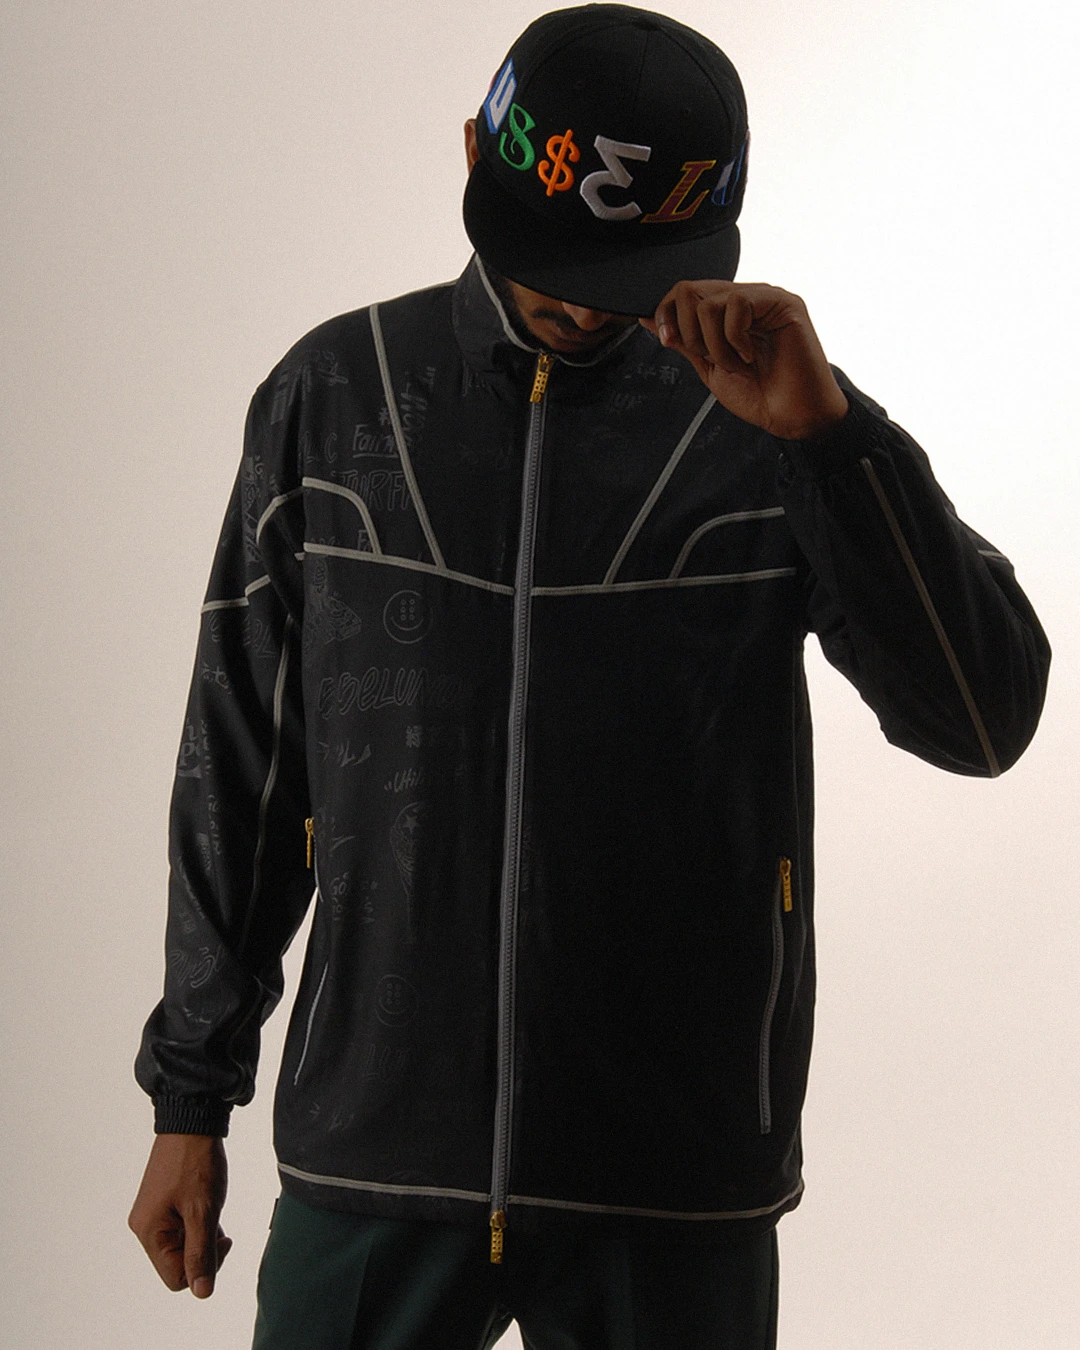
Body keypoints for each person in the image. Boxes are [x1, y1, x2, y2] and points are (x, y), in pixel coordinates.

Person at [128, 6, 1050, 1347]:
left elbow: (982, 718)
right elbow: (243, 770)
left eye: (623, 271)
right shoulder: (337, 395)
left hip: (671, 1171)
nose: (576, 301)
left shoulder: (768, 418)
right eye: (553, 257)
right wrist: (189, 1099)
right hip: (380, 1149)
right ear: (472, 153)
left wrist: (833, 443)